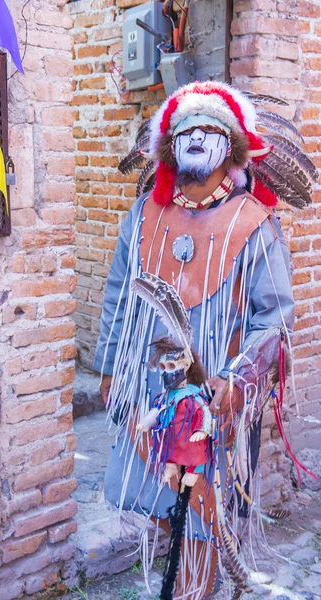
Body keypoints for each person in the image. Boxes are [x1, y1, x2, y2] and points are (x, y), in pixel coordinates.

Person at [92, 82, 317, 599]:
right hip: (151, 391)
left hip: (213, 401)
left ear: (233, 146)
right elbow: (116, 296)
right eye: (185, 130)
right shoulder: (144, 217)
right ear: (169, 145)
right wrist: (109, 368)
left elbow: (274, 320)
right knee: (161, 502)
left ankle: (196, 588)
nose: (196, 138)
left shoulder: (254, 224)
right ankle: (186, 583)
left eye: (210, 129)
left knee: (203, 513)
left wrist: (235, 380)